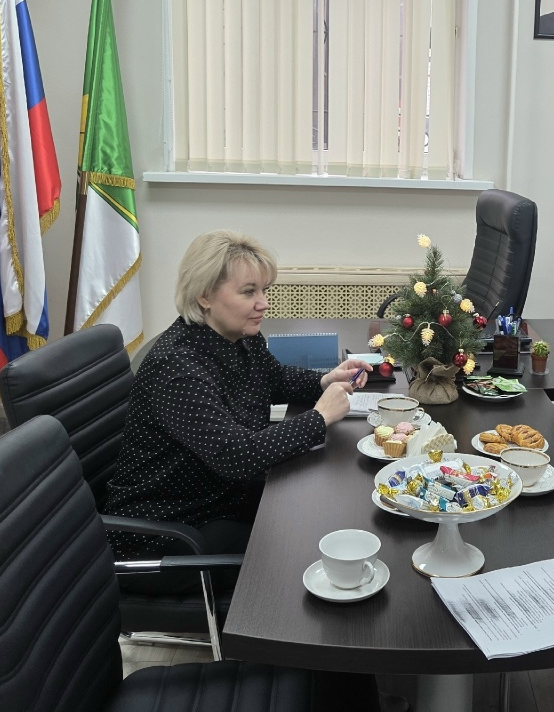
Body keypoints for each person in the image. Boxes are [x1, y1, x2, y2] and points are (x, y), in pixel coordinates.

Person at [103, 230, 369, 592]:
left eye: (264, 291)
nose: (263, 303)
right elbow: (237, 456)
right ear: (205, 295)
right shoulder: (178, 368)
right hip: (171, 531)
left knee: (323, 511)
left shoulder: (240, 338)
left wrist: (324, 380)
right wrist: (319, 418)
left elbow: (275, 379)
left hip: (219, 497)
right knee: (302, 547)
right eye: (248, 292)